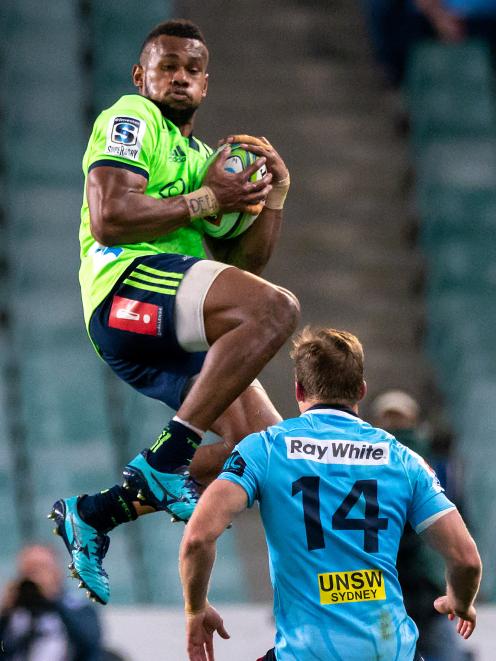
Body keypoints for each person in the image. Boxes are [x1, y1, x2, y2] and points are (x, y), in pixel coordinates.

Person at [49, 18, 299, 606]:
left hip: (177, 318)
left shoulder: (202, 156)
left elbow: (245, 264)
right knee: (277, 311)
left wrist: (274, 200)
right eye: (168, 67)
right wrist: (210, 198)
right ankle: (168, 458)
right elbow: (111, 215)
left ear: (206, 85)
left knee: (273, 455)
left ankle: (95, 514)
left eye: (192, 70)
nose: (180, 78)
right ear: (142, 75)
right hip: (125, 289)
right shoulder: (130, 119)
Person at [179, 327, 482, 661]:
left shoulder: (265, 449)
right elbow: (466, 559)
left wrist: (196, 608)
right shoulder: (403, 458)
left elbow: (198, 538)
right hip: (390, 651)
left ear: (298, 389)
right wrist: (460, 600)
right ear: (361, 391)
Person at [371, 389, 469, 661]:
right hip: (427, 591)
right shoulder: (434, 467)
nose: (395, 426)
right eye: (389, 419)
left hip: (398, 595)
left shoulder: (371, 465)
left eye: (398, 418)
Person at [0, 545, 103, 661]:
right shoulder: (14, 610)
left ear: (56, 572)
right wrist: (5, 613)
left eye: (41, 568)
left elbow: (89, 646)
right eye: (29, 570)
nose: (34, 576)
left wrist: (53, 597)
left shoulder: (77, 607)